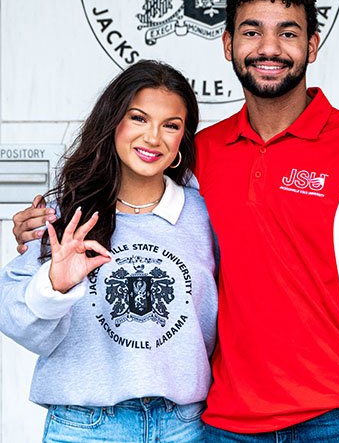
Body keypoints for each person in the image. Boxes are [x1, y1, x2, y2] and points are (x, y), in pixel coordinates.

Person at [12, 0, 339, 442]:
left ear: (313, 46)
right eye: (251, 32)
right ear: (227, 45)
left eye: (288, 33)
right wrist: (44, 226)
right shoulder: (199, 154)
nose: (269, 48)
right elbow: (130, 203)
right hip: (229, 423)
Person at [0, 60, 218, 443]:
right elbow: (15, 319)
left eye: (171, 125)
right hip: (85, 427)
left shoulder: (205, 215)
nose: (154, 137)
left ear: (182, 140)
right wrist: (53, 285)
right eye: (138, 118)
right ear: (112, 122)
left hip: (185, 426)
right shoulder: (67, 217)